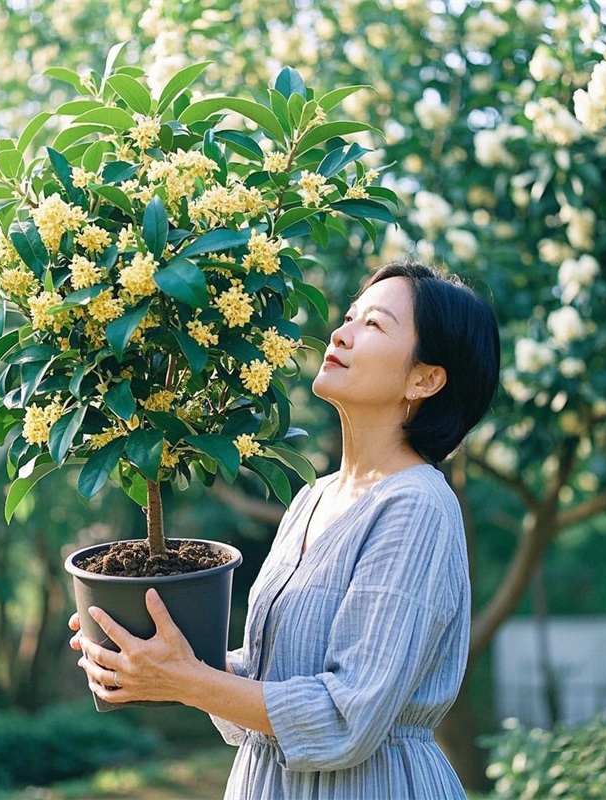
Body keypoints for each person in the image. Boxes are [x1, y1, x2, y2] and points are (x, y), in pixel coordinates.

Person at [69, 260, 501, 799]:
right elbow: (274, 670)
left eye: (373, 325)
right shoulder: (312, 499)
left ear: (425, 378)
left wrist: (186, 678)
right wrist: (150, 659)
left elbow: (351, 714)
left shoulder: (417, 505)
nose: (340, 333)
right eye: (348, 316)